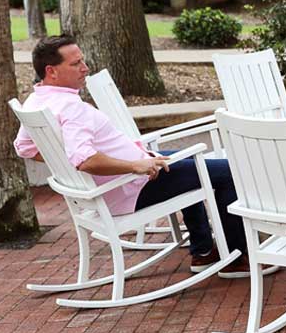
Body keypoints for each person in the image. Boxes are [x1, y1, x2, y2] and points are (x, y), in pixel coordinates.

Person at [13, 36, 258, 278]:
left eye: (82, 61)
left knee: (188, 164)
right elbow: (85, 160)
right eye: (75, 63)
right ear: (51, 71)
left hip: (123, 180)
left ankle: (203, 250)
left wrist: (66, 160)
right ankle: (236, 257)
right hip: (131, 186)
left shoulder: (36, 100)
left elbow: (24, 147)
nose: (85, 68)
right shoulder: (71, 108)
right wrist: (135, 166)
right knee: (229, 172)